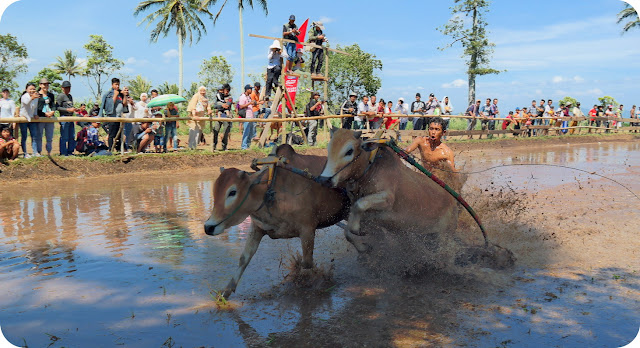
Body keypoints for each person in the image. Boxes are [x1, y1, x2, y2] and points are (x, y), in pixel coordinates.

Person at [403, 117, 458, 185]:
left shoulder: (446, 152)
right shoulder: (420, 141)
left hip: (437, 182)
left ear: (443, 133)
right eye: (431, 129)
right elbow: (406, 150)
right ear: (428, 130)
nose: (433, 132)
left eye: (437, 129)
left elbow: (453, 173)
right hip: (422, 176)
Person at [98, 78, 123, 150]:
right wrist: (115, 95)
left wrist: (124, 95)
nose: (117, 86)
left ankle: (118, 149)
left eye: (118, 84)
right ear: (112, 85)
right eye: (116, 84)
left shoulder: (120, 94)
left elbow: (124, 105)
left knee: (119, 135)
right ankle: (110, 149)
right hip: (112, 116)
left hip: (119, 117)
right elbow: (108, 105)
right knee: (111, 134)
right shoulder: (108, 94)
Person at [35, 78, 56, 155]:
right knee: (39, 136)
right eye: (44, 84)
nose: (46, 86)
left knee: (49, 136)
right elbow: (36, 108)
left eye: (47, 84)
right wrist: (44, 114)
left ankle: (49, 152)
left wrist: (52, 112)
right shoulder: (37, 95)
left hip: (50, 118)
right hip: (40, 118)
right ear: (40, 85)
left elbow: (54, 105)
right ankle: (39, 152)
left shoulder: (51, 95)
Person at [19, 83, 40, 157]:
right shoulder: (24, 96)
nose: (32, 90)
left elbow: (35, 108)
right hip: (23, 118)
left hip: (31, 118)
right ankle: (25, 153)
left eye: (33, 89)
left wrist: (35, 114)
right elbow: (27, 103)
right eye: (30, 89)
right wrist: (32, 98)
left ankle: (35, 152)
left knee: (34, 136)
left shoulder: (36, 97)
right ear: (26, 89)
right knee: (24, 136)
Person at [56, 81, 77, 156]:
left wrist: (74, 109)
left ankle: (70, 151)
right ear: (62, 88)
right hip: (64, 117)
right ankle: (63, 152)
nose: (67, 89)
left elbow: (70, 106)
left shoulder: (70, 96)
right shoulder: (60, 96)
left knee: (72, 135)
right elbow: (57, 107)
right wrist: (67, 110)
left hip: (71, 117)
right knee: (64, 136)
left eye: (68, 88)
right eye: (66, 88)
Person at [213, 84, 232, 151]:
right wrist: (221, 105)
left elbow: (228, 105)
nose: (226, 92)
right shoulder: (218, 96)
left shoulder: (230, 98)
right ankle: (214, 146)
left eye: (227, 91)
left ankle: (224, 147)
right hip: (219, 116)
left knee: (225, 132)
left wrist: (220, 105)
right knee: (216, 130)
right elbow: (215, 105)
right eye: (225, 90)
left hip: (226, 116)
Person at [239, 85, 255, 150]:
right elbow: (241, 106)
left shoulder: (249, 97)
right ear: (247, 89)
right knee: (246, 131)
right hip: (246, 116)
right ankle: (244, 146)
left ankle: (248, 145)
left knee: (250, 132)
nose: (251, 90)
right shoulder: (243, 97)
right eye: (250, 89)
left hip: (251, 116)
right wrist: (249, 103)